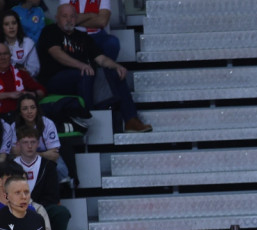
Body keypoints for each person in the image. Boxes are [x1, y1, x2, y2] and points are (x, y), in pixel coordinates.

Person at [38, 3, 151, 133]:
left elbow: (101, 58)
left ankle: (131, 119)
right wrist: (80, 65)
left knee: (115, 73)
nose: (69, 20)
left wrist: (117, 66)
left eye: (72, 16)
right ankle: (89, 116)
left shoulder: (83, 37)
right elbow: (56, 53)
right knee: (85, 73)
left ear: (77, 19)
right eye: (64, 16)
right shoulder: (50, 31)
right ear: (57, 17)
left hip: (84, 78)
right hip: (56, 79)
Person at [13, 125, 70, 230]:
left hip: (43, 208)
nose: (29, 146)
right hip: (14, 209)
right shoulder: (11, 167)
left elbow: (53, 197)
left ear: (38, 143)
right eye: (25, 142)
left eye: (32, 142)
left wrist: (35, 208)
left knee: (61, 212)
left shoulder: (48, 166)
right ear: (18, 144)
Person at [0, 41, 43, 116]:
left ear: (10, 56)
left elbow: (42, 91)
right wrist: (8, 95)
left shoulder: (21, 74)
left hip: (21, 117)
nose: (3, 57)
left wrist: (31, 94)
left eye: (5, 54)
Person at [3, 11, 39, 76]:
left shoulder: (28, 43)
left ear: (18, 25)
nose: (11, 27)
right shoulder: (1, 46)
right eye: (6, 24)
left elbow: (35, 68)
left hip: (25, 80)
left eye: (14, 23)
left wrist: (27, 72)